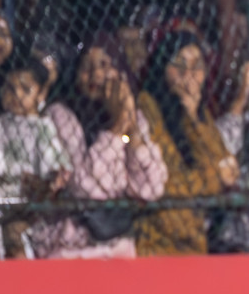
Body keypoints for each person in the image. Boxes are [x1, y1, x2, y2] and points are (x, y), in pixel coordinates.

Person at [36, 33, 167, 259]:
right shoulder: (60, 114)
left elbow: (151, 187)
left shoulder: (131, 117)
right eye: (86, 66)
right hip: (71, 250)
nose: (96, 74)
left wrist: (131, 130)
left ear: (121, 74)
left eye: (105, 65)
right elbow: (86, 189)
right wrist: (117, 129)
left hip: (118, 249)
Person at [135, 29, 241, 256]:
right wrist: (210, 180)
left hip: (195, 240)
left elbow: (226, 175)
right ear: (162, 68)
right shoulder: (147, 107)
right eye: (179, 65)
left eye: (197, 66)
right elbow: (170, 185)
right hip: (157, 239)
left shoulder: (201, 115)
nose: (189, 74)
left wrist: (193, 118)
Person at [0, 58, 69, 256]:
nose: (16, 95)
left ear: (41, 94)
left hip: (26, 203)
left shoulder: (42, 127)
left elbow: (54, 170)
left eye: (25, 90)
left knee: (17, 244)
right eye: (10, 88)